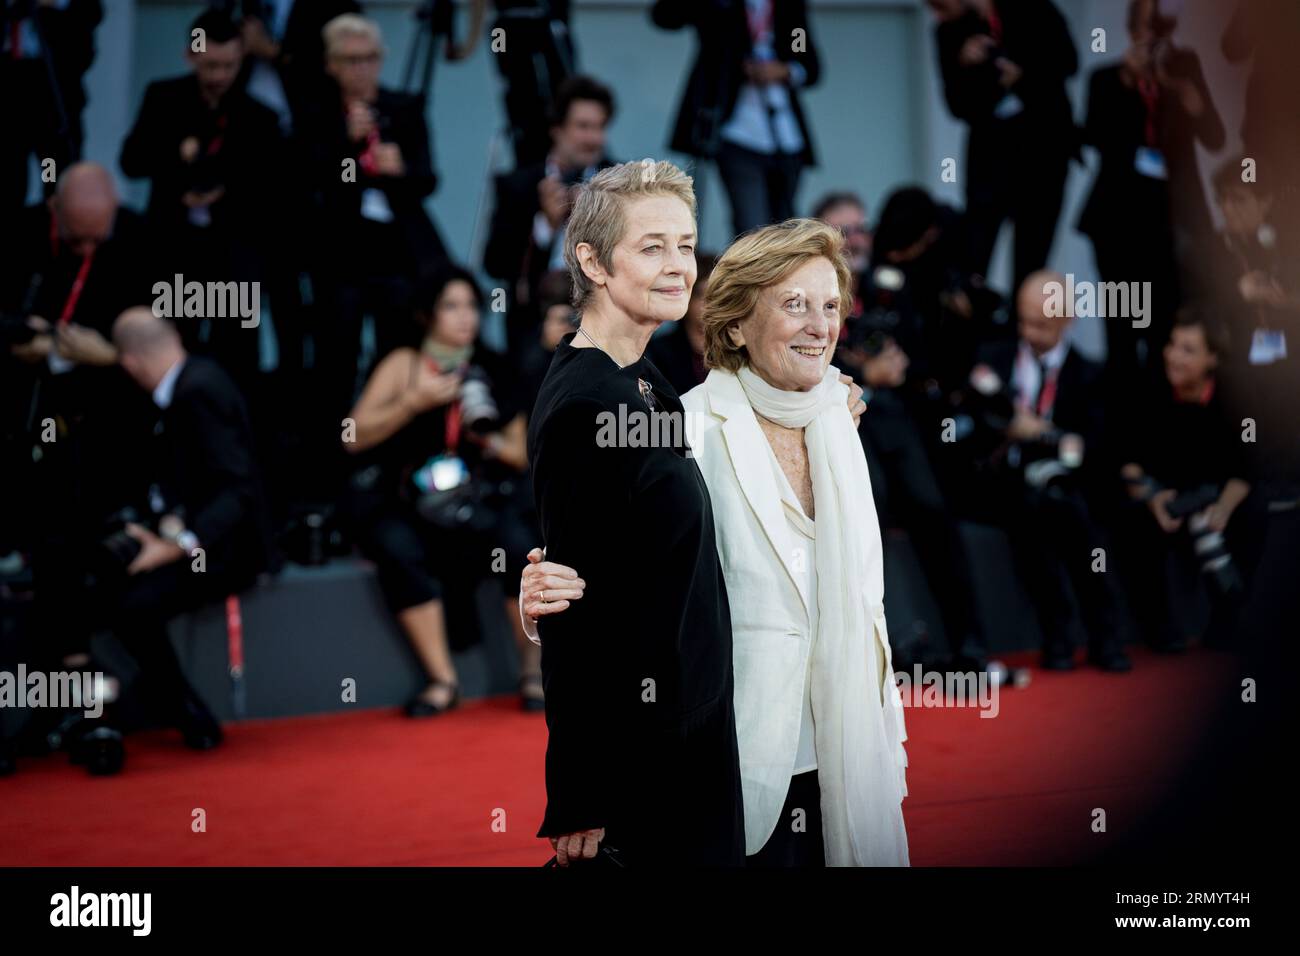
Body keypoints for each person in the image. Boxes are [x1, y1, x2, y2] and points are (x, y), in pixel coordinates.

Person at [523, 207, 901, 867]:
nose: (819, 326)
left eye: (830, 305)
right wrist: (544, 595)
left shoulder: (841, 421)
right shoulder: (680, 429)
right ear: (732, 323)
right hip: (723, 765)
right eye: (793, 304)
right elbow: (613, 588)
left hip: (845, 755)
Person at [341, 267, 543, 715]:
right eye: (451, 306)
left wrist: (482, 433)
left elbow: (518, 454)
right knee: (394, 545)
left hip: (477, 499)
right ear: (427, 314)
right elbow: (352, 435)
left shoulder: (491, 367)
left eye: (471, 306)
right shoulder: (403, 363)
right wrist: (414, 401)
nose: (465, 317)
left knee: (518, 545)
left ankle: (532, 674)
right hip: (410, 500)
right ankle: (442, 680)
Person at [963, 271, 1130, 672]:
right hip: (1003, 484)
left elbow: (1094, 449)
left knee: (1064, 510)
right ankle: (1071, 634)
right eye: (1023, 321)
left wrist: (1043, 434)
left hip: (1068, 488)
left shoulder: (1090, 374)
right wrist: (1004, 426)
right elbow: (967, 424)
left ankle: (1094, 634)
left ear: (1067, 319)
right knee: (1040, 511)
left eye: (1041, 324)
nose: (1029, 333)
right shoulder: (993, 357)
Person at [119, 8, 286, 383]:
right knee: (171, 344)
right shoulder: (165, 98)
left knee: (236, 354)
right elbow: (132, 161)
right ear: (190, 55)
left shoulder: (259, 117)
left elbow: (273, 188)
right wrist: (176, 153)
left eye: (228, 66)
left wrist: (226, 189)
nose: (219, 76)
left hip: (231, 255)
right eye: (210, 65)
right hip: (175, 249)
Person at [299, 13, 448, 415]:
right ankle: (335, 449)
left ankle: (389, 452)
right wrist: (343, 144)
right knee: (336, 352)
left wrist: (398, 169)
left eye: (370, 58)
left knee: (397, 348)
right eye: (352, 60)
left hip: (396, 248)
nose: (363, 68)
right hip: (339, 249)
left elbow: (428, 179)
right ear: (331, 65)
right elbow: (302, 180)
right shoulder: (315, 113)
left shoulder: (402, 108)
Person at [1077, 0, 1223, 405]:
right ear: (1130, 30)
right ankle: (1125, 442)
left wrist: (1183, 90)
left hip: (1173, 228)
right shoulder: (1107, 79)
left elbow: (1215, 138)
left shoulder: (1184, 69)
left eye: (1162, 29)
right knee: (1122, 332)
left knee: (1167, 334)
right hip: (1118, 229)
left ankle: (1166, 436)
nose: (1153, 38)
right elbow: (1092, 139)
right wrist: (1128, 80)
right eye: (1145, 28)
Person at [1116, 311, 1250, 651]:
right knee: (1132, 520)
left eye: (1188, 350)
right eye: (1172, 345)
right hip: (1165, 498)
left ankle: (1234, 618)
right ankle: (1160, 628)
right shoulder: (1151, 388)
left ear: (1212, 359)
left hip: (1215, 499)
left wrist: (1221, 509)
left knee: (1254, 514)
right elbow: (1127, 462)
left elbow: (1246, 470)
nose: (1173, 356)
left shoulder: (1235, 400)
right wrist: (1154, 499)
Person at [928, 0, 1078, 289]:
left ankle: (1023, 325)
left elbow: (1068, 62)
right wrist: (964, 63)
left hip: (1043, 154)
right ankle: (973, 324)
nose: (936, 12)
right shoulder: (950, 32)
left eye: (939, 3)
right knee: (974, 256)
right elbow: (956, 104)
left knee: (1032, 259)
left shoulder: (1035, 10)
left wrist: (1021, 73)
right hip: (990, 160)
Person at [651, 0, 821, 237]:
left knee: (787, 225)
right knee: (752, 226)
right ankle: (752, 272)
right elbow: (666, 16)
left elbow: (804, 56)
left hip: (784, 134)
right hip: (735, 128)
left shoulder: (788, 11)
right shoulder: (722, 6)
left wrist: (784, 69)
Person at [483, 74, 617, 355]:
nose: (594, 138)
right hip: (534, 319)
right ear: (557, 129)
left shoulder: (619, 181)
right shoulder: (518, 184)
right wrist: (545, 223)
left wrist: (596, 220)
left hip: (603, 314)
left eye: (600, 127)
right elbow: (495, 263)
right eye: (583, 126)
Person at [0, 0, 102, 213]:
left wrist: (51, 7)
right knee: (9, 182)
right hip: (7, 92)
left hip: (50, 99)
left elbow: (83, 44)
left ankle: (53, 235)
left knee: (53, 175)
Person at [645, 251, 715, 395]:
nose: (710, 305)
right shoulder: (658, 353)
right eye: (702, 295)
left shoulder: (735, 353)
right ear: (686, 297)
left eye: (717, 296)